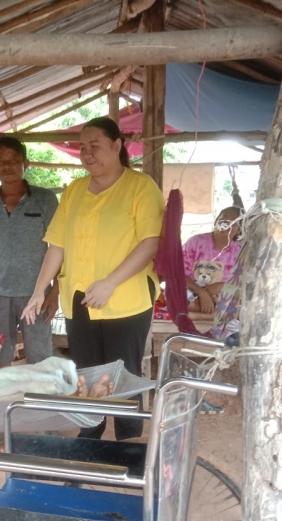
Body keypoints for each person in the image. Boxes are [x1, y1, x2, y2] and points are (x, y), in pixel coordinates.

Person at [22, 116, 165, 441]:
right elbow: (57, 245)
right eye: (83, 147)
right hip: (80, 300)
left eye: (95, 146)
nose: (87, 154)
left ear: (116, 146)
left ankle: (128, 442)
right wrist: (39, 290)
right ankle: (91, 433)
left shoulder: (141, 187)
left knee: (124, 374)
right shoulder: (74, 190)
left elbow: (150, 242)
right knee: (87, 371)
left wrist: (110, 283)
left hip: (126, 301)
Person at [0, 136, 60, 445]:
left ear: (25, 163)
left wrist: (55, 290)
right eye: (0, 162)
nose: (6, 166)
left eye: (13, 160)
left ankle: (45, 420)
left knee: (40, 358)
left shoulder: (45, 200)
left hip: (36, 294)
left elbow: (59, 246)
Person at [183, 206, 243, 315]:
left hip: (221, 294)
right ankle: (215, 312)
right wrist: (202, 293)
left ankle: (204, 312)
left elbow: (242, 283)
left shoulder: (240, 252)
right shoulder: (195, 242)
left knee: (239, 301)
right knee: (178, 298)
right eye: (224, 217)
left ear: (239, 230)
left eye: (233, 221)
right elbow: (179, 274)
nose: (226, 222)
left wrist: (221, 286)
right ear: (216, 221)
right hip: (193, 289)